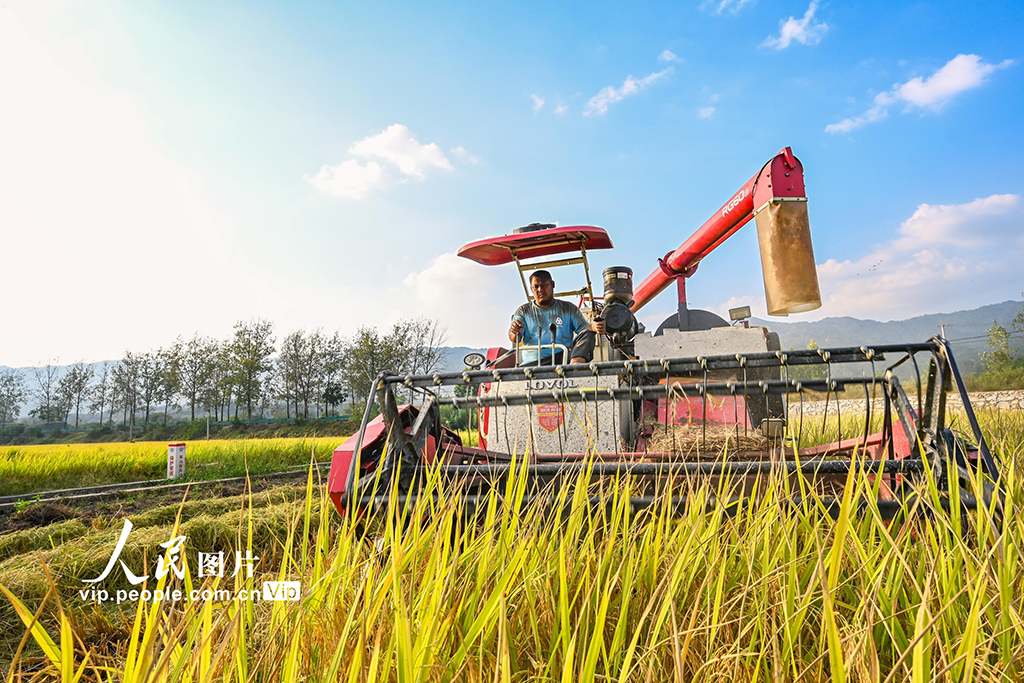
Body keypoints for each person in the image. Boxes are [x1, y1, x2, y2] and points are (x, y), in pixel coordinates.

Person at [508, 270, 606, 365]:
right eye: (536, 287)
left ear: (553, 284)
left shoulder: (568, 308)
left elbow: (583, 328)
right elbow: (514, 338)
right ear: (532, 289)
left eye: (544, 285)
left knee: (588, 333)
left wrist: (594, 327)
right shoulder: (523, 311)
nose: (540, 290)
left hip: (563, 358)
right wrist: (514, 330)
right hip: (534, 363)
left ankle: (575, 367)